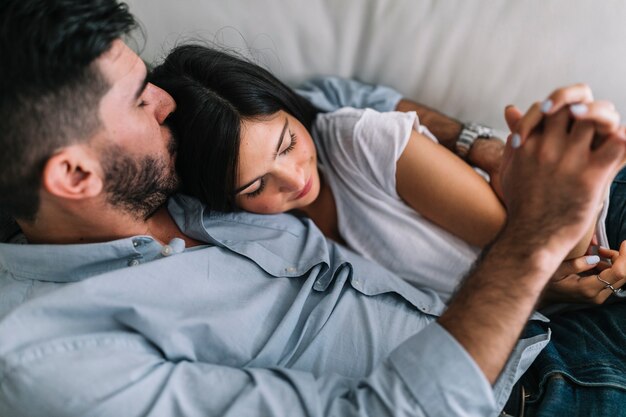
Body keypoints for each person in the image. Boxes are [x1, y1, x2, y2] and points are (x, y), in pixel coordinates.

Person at [1, 2, 626, 417]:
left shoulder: (162, 170)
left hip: (539, 324)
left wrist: (481, 146)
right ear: (75, 174)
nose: (164, 102)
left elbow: (315, 104)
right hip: (518, 397)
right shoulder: (58, 361)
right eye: (140, 101)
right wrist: (534, 238)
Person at [148, 45, 615, 301]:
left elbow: (544, 250)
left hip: (597, 229)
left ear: (287, 106)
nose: (293, 179)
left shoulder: (363, 140)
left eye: (287, 143)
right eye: (255, 186)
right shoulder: (265, 237)